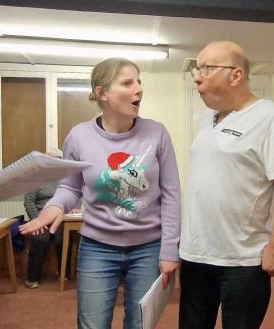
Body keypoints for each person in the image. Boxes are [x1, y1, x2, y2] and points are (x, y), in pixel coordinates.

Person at [19, 57, 181, 329]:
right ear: (102, 93)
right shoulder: (79, 136)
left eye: (139, 81)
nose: (138, 89)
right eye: (127, 83)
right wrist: (55, 207)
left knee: (140, 325)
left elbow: (172, 195)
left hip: (148, 249)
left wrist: (169, 251)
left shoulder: (157, 133)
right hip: (97, 248)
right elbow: (70, 187)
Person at [179, 40, 274, 329]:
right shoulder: (207, 117)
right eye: (197, 70)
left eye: (206, 69)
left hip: (243, 260)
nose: (197, 76)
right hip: (196, 253)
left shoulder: (269, 116)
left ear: (236, 75)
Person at [23, 149, 65, 289]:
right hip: (40, 218)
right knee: (41, 240)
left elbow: (74, 195)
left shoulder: (65, 177)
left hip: (59, 218)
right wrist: (38, 221)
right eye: (52, 159)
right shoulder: (36, 178)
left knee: (62, 239)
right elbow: (28, 202)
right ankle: (32, 278)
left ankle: (63, 272)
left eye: (59, 158)